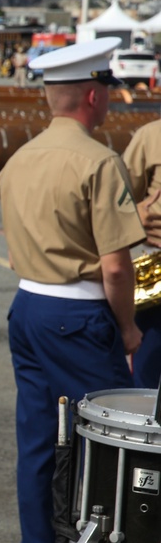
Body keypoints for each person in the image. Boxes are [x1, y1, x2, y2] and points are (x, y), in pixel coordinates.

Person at [0, 36, 155, 543]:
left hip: (28, 308)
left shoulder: (19, 159)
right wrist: (129, 330)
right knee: (113, 451)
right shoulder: (97, 160)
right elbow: (116, 266)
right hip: (82, 315)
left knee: (38, 446)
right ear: (94, 95)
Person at [123, 118, 161, 389]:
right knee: (145, 389)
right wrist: (134, 216)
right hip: (157, 287)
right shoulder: (151, 136)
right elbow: (116, 203)